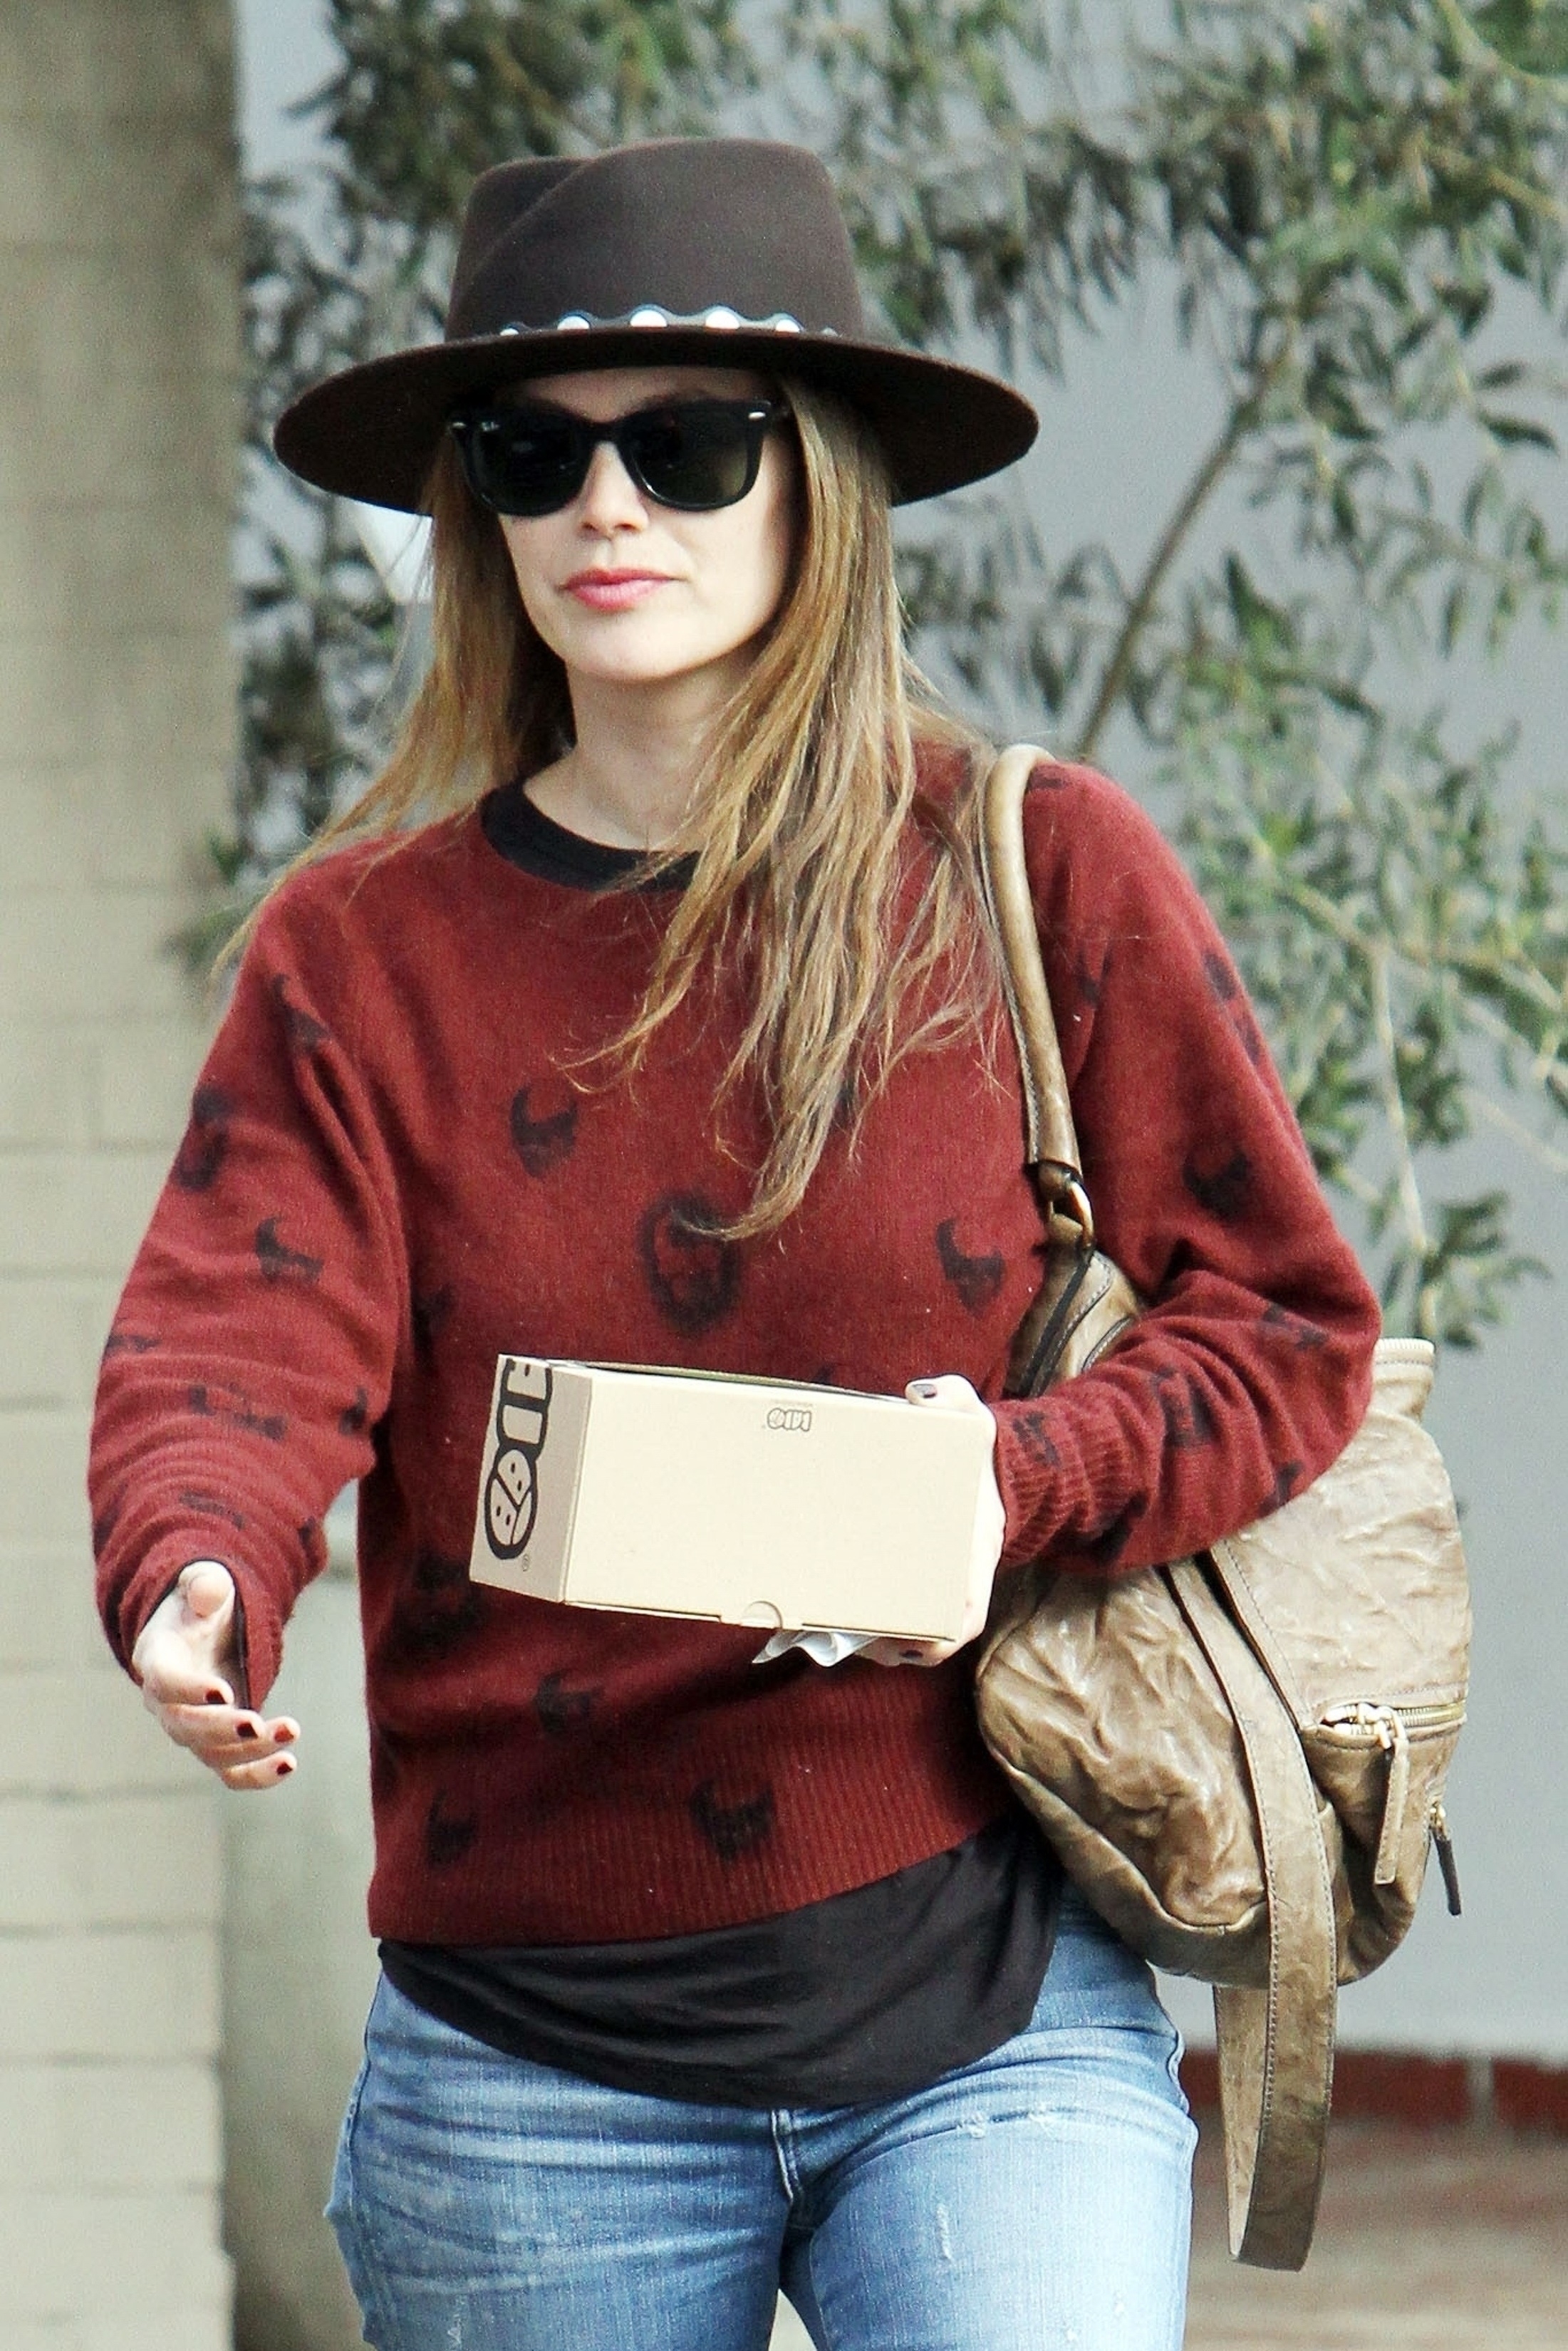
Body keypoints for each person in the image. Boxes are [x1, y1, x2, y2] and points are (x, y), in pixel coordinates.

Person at [91, 139, 1380, 2351]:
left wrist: (1000, 1481)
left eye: (688, 445)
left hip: (986, 1999)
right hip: (525, 2065)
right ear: (478, 514)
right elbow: (237, 1334)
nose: (611, 507)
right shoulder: (359, 956)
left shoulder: (1031, 868)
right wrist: (194, 1562)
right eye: (534, 455)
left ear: (818, 485)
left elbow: (1282, 1323)